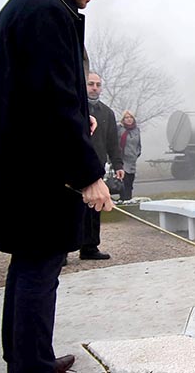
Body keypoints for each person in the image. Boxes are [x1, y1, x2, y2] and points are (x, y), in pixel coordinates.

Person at [0, 0, 113, 373]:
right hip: (37, 176)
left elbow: (38, 95)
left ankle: (26, 356)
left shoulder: (26, 6)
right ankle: (31, 365)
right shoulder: (46, 12)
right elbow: (51, 102)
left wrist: (82, 116)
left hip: (21, 166)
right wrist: (89, 174)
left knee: (29, 265)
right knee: (40, 268)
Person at [82, 71, 124, 259]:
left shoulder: (107, 113)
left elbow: (112, 143)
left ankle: (90, 247)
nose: (94, 88)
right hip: (74, 166)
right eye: (91, 84)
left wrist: (118, 165)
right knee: (70, 211)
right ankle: (63, 251)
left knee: (94, 210)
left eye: (98, 85)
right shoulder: (75, 108)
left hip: (97, 167)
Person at [117, 110, 142, 202]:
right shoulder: (119, 129)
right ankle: (124, 199)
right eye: (126, 117)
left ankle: (128, 198)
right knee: (124, 181)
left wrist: (137, 153)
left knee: (130, 182)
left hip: (132, 159)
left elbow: (138, 144)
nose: (129, 119)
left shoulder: (136, 130)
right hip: (122, 159)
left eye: (130, 117)